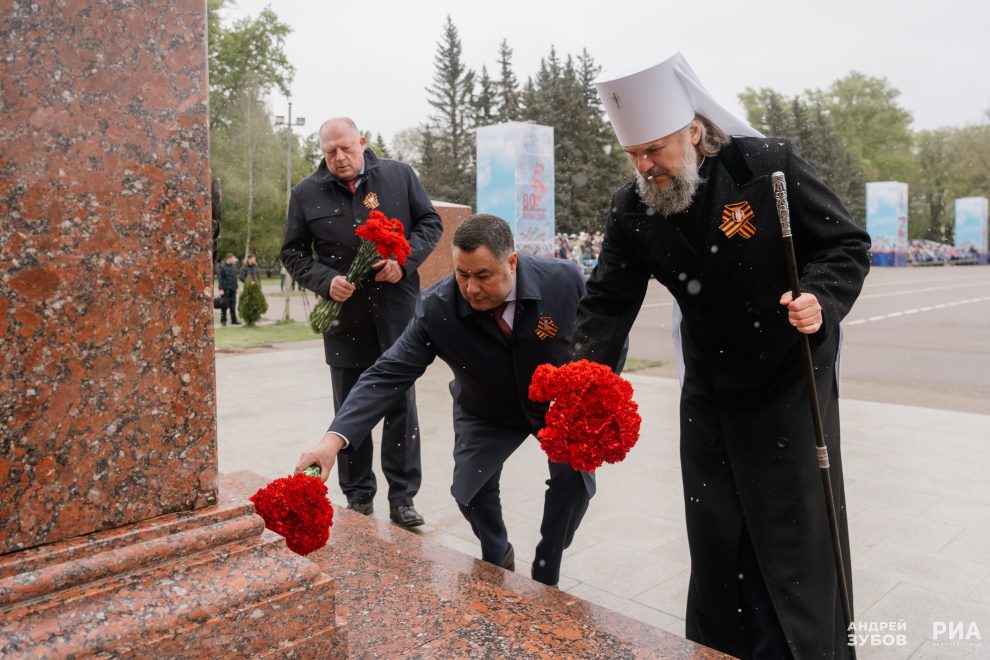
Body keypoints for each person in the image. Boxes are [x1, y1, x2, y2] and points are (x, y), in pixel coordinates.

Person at [572, 52, 871, 658]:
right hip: (709, 387)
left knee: (792, 532)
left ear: (693, 131)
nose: (645, 166)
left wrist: (820, 296)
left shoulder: (765, 167)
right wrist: (583, 384)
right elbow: (607, 301)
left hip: (789, 379)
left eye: (654, 150)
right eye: (632, 155)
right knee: (716, 535)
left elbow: (844, 244)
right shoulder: (632, 206)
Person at [294, 214, 606, 586]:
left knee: (574, 483)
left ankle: (547, 561)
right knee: (468, 492)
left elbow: (604, 336)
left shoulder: (563, 280)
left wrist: (590, 393)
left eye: (483, 275)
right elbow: (387, 373)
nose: (471, 289)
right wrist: (332, 441)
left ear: (511, 261)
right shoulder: (437, 308)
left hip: (557, 406)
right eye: (463, 274)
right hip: (485, 408)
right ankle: (496, 552)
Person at [280, 117, 442, 528]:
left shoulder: (398, 176)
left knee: (400, 407)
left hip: (396, 314)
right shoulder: (306, 193)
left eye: (346, 148)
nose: (339, 158)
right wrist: (324, 279)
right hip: (344, 320)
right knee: (349, 405)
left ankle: (403, 499)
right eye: (330, 151)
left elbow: (430, 224)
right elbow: (293, 253)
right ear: (322, 151)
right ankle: (358, 497)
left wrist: (403, 263)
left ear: (362, 143)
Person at [217, 253, 240, 326]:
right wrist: (220, 289)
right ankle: (223, 321)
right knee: (224, 305)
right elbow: (220, 278)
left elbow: (235, 278)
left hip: (233, 288)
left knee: (233, 305)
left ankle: (234, 320)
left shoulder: (234, 267)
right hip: (225, 289)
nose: (234, 260)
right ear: (229, 258)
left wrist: (237, 287)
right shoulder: (222, 267)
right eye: (233, 258)